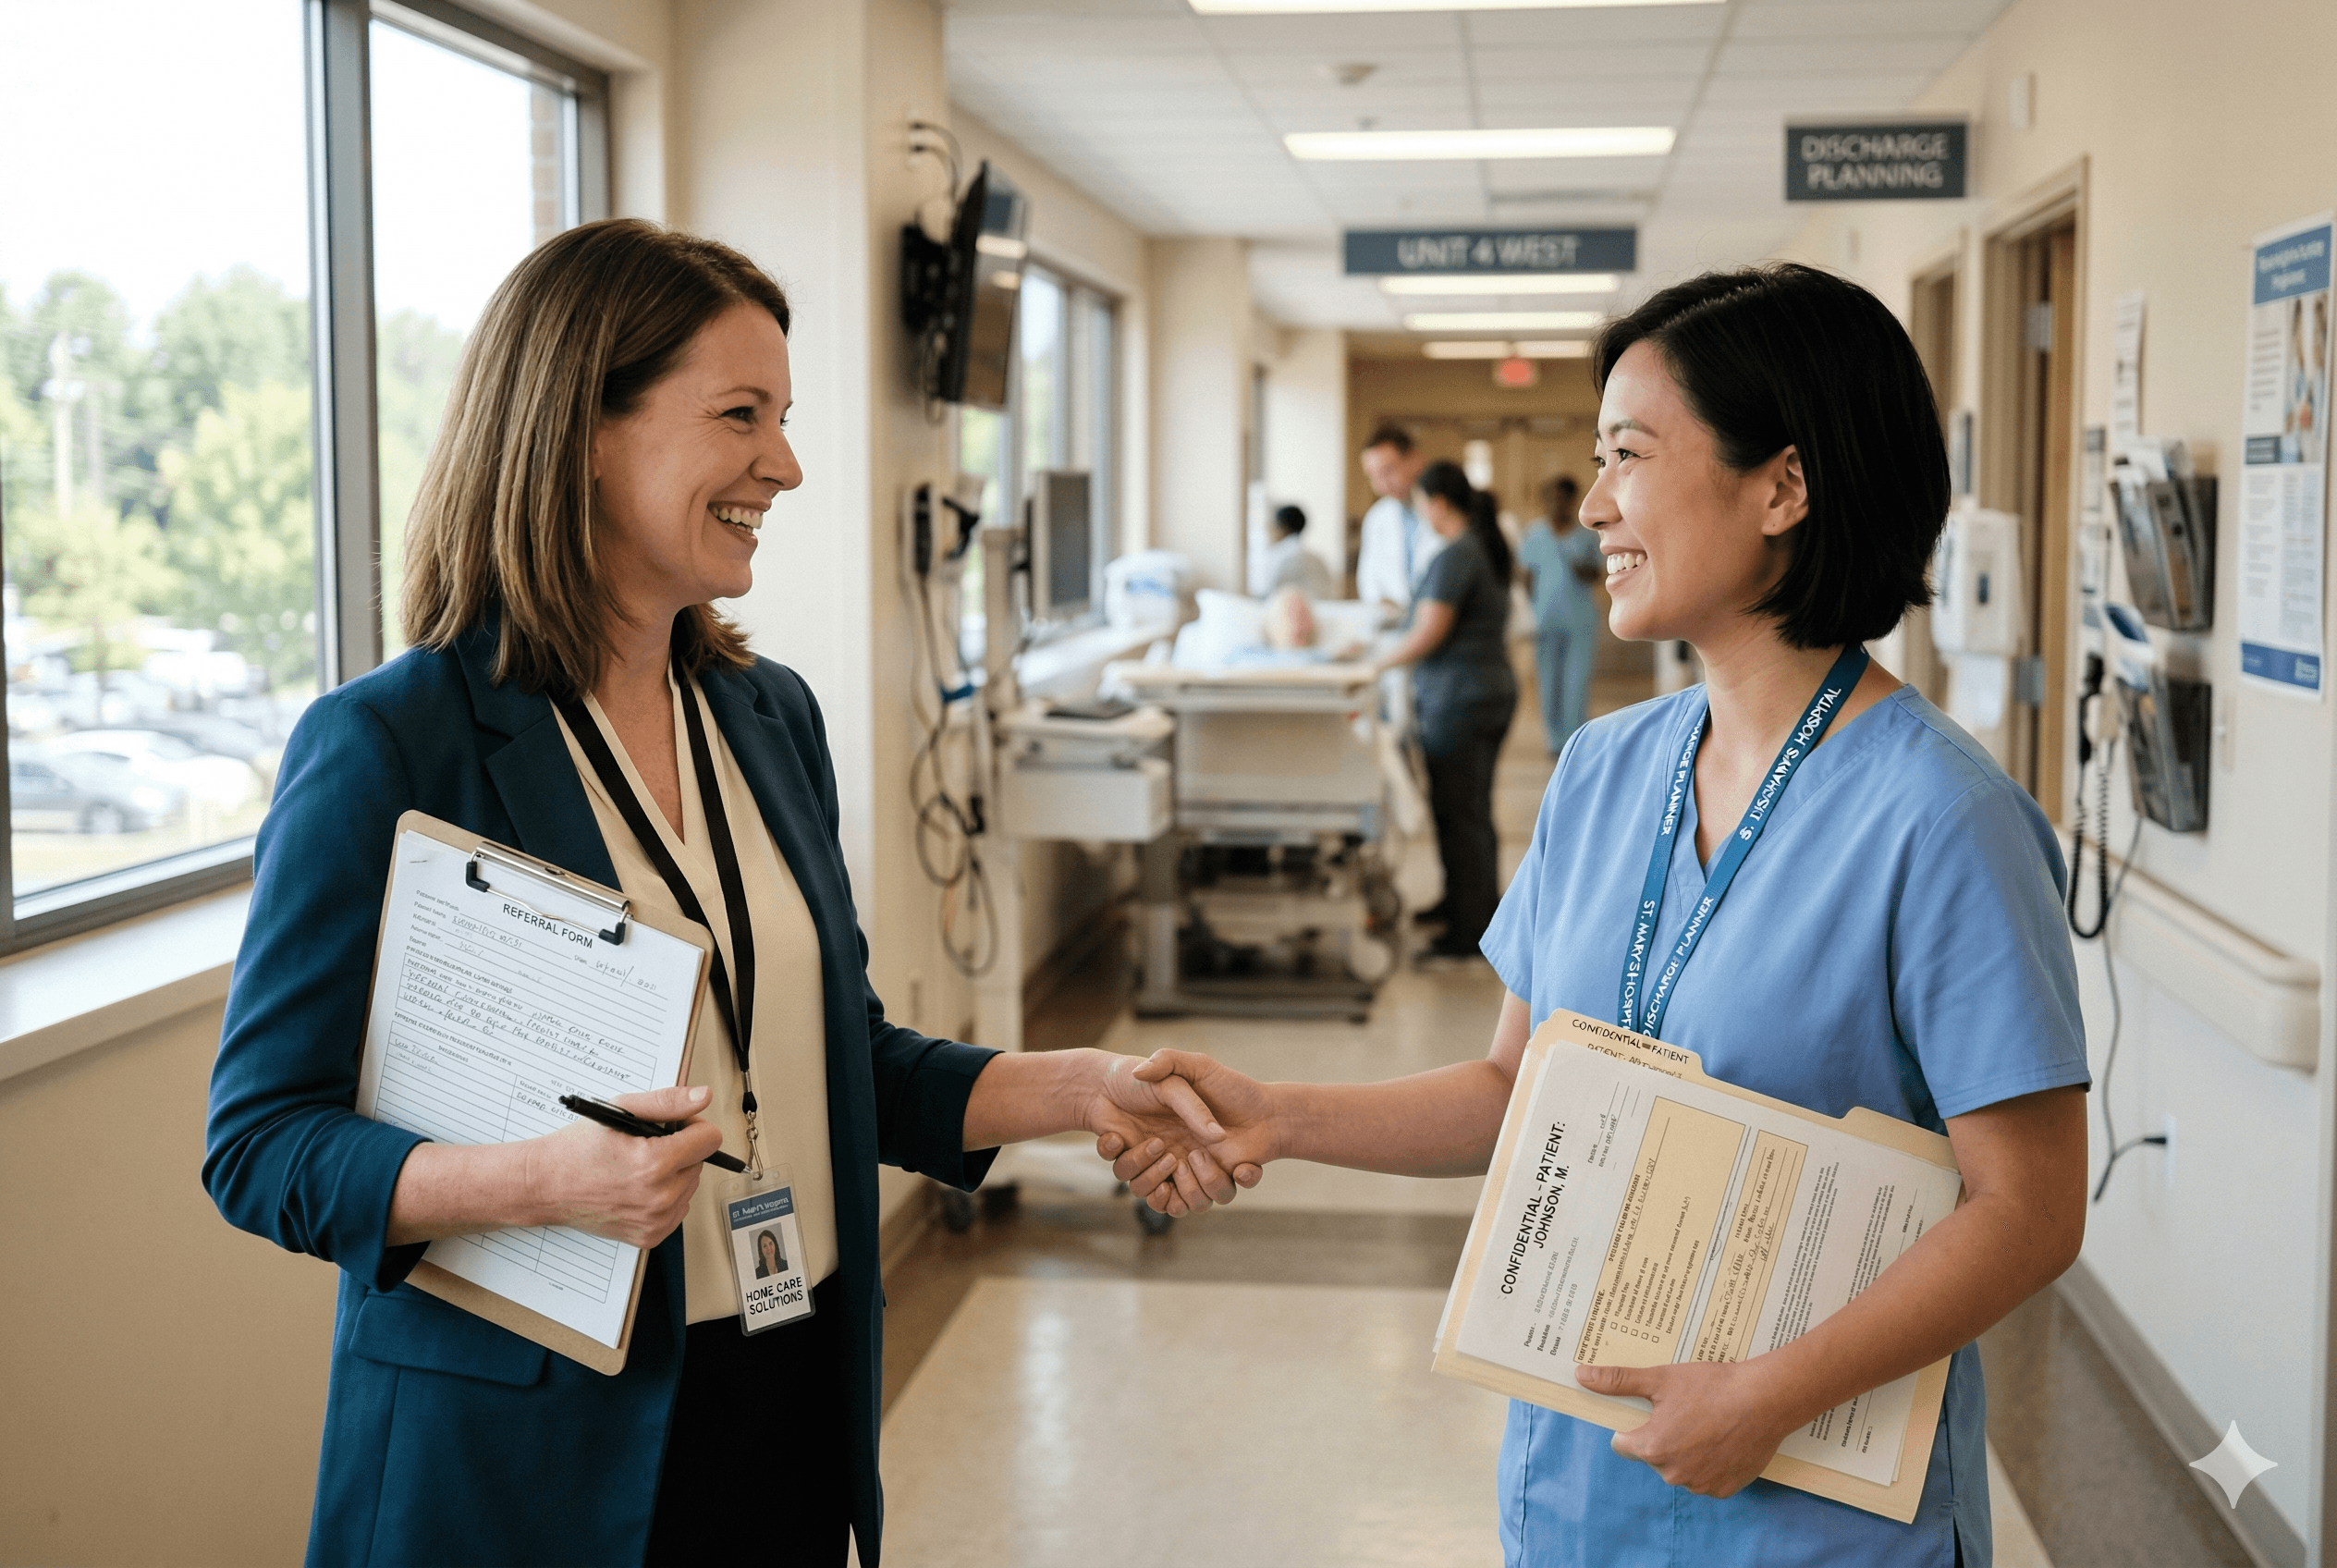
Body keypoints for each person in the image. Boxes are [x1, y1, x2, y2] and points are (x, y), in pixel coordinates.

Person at [202, 218, 1236, 1568]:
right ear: (582, 430)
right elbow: (262, 1144)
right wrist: (539, 1182)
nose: (787, 465)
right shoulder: (395, 747)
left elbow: (835, 1057)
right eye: (741, 415)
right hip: (524, 1451)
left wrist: (1079, 1089)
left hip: (780, 1383)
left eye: (785, 417)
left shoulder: (765, 718)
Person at [1104, 263, 2089, 1568]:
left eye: (1629, 453)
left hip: (1817, 1518)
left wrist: (1767, 1397)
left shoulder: (1940, 821)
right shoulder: (1606, 768)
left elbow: (2028, 1209)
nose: (1593, 504)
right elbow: (1524, 1086)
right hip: (1581, 1491)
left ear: (1783, 487)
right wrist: (1281, 1117)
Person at [1373, 459, 1517, 961]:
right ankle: (1464, 905)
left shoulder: (1458, 555)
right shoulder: (1481, 549)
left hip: (1462, 700)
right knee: (1468, 810)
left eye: (1418, 505)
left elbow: (1429, 633)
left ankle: (1469, 929)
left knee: (1460, 813)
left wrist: (1374, 663)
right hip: (1482, 692)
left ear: (1436, 504)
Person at [1515, 475, 1603, 756]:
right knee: (1548, 682)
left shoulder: (1586, 535)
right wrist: (1530, 612)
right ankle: (1553, 741)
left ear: (1572, 501)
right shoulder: (1535, 533)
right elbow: (1526, 576)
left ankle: (1573, 739)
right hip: (1545, 620)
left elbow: (1597, 573)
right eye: (1551, 498)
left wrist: (1582, 569)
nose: (1557, 504)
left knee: (1576, 682)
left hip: (1579, 620)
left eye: (1563, 498)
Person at [1353, 424, 1442, 618]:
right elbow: (1369, 582)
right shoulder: (1377, 518)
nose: (1381, 484)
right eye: (1373, 477)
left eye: (1387, 471)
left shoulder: (1445, 510)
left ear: (1415, 459)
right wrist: (1381, 603)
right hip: (1395, 624)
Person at [1260, 502, 1335, 598]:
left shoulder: (1280, 555)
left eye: (1272, 525)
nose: (1268, 530)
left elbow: (1270, 596)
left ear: (1282, 528)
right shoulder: (1316, 558)